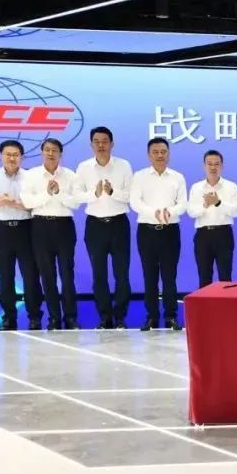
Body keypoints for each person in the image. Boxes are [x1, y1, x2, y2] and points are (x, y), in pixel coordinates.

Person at [0, 140, 43, 331]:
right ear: (1, 155)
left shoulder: (31, 177)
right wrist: (2, 201)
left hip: (27, 229)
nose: (12, 158)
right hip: (1, 230)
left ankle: (35, 317)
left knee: (31, 275)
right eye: (8, 154)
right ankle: (9, 317)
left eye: (15, 155)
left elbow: (38, 204)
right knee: (5, 276)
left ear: (22, 157)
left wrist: (17, 204)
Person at [73, 126, 133, 330]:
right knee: (99, 275)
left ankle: (120, 317)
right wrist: (95, 193)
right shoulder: (83, 167)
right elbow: (77, 196)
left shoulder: (123, 166)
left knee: (121, 274)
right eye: (97, 142)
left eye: (105, 141)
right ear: (91, 145)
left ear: (112, 144)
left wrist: (112, 191)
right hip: (95, 226)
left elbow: (130, 196)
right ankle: (104, 317)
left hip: (119, 224)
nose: (101, 145)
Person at [20, 138, 80, 330]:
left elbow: (75, 203)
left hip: (64, 226)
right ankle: (54, 317)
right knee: (47, 275)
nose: (50, 153)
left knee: (67, 274)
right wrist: (47, 193)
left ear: (60, 153)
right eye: (47, 150)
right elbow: (28, 202)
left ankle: (70, 317)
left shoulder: (70, 175)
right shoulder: (32, 175)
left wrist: (58, 193)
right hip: (40, 226)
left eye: (54, 150)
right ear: (42, 152)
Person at [130, 138, 187, 332]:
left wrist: (170, 212)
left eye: (163, 151)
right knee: (150, 275)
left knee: (170, 276)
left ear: (168, 154)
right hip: (147, 230)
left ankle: (171, 317)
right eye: (155, 152)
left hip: (170, 231)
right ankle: (152, 317)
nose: (160, 155)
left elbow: (183, 203)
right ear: (149, 155)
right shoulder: (139, 176)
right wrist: (153, 212)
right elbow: (135, 202)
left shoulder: (177, 177)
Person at [187, 150, 237, 288]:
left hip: (224, 234)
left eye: (216, 164)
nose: (213, 167)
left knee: (225, 275)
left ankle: (226, 302)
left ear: (222, 166)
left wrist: (218, 203)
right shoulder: (196, 187)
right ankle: (205, 302)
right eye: (209, 164)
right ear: (204, 166)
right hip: (203, 235)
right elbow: (191, 212)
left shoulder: (231, 187)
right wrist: (205, 205)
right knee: (204, 275)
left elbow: (236, 211)